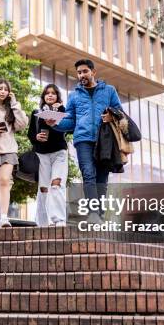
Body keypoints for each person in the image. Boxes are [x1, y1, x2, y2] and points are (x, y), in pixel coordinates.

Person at [46, 59, 122, 223]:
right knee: (88, 174)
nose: (81, 75)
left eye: (85, 71)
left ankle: (99, 214)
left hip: (105, 140)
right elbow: (70, 122)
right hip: (83, 140)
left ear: (93, 72)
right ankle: (93, 213)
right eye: (79, 72)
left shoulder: (109, 91)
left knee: (102, 178)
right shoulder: (74, 96)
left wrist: (112, 115)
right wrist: (55, 123)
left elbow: (120, 112)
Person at [0, 79, 28, 228]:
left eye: (6, 89)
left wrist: (15, 104)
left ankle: (4, 217)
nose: (3, 91)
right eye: (0, 88)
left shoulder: (11, 108)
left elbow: (22, 124)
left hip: (8, 149)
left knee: (4, 180)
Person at [27, 84, 69, 227]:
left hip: (59, 153)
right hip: (41, 154)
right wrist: (36, 137)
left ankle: (59, 220)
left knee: (56, 185)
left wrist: (58, 112)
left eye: (53, 93)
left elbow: (67, 129)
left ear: (57, 96)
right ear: (43, 97)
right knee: (43, 188)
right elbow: (30, 133)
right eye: (47, 93)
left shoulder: (63, 111)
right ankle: (43, 223)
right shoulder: (36, 112)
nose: (50, 95)